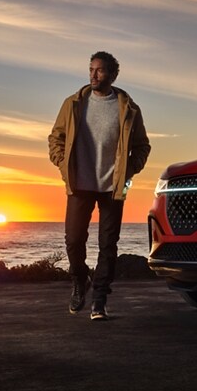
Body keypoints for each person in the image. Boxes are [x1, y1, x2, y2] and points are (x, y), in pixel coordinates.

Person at [48, 51, 150, 320]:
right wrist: (62, 165)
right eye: (91, 69)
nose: (93, 74)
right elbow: (56, 138)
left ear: (112, 75)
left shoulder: (128, 108)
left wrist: (127, 171)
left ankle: (100, 300)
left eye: (100, 70)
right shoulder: (73, 104)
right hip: (79, 184)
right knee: (73, 240)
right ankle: (80, 280)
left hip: (114, 187)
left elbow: (142, 147)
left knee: (108, 244)